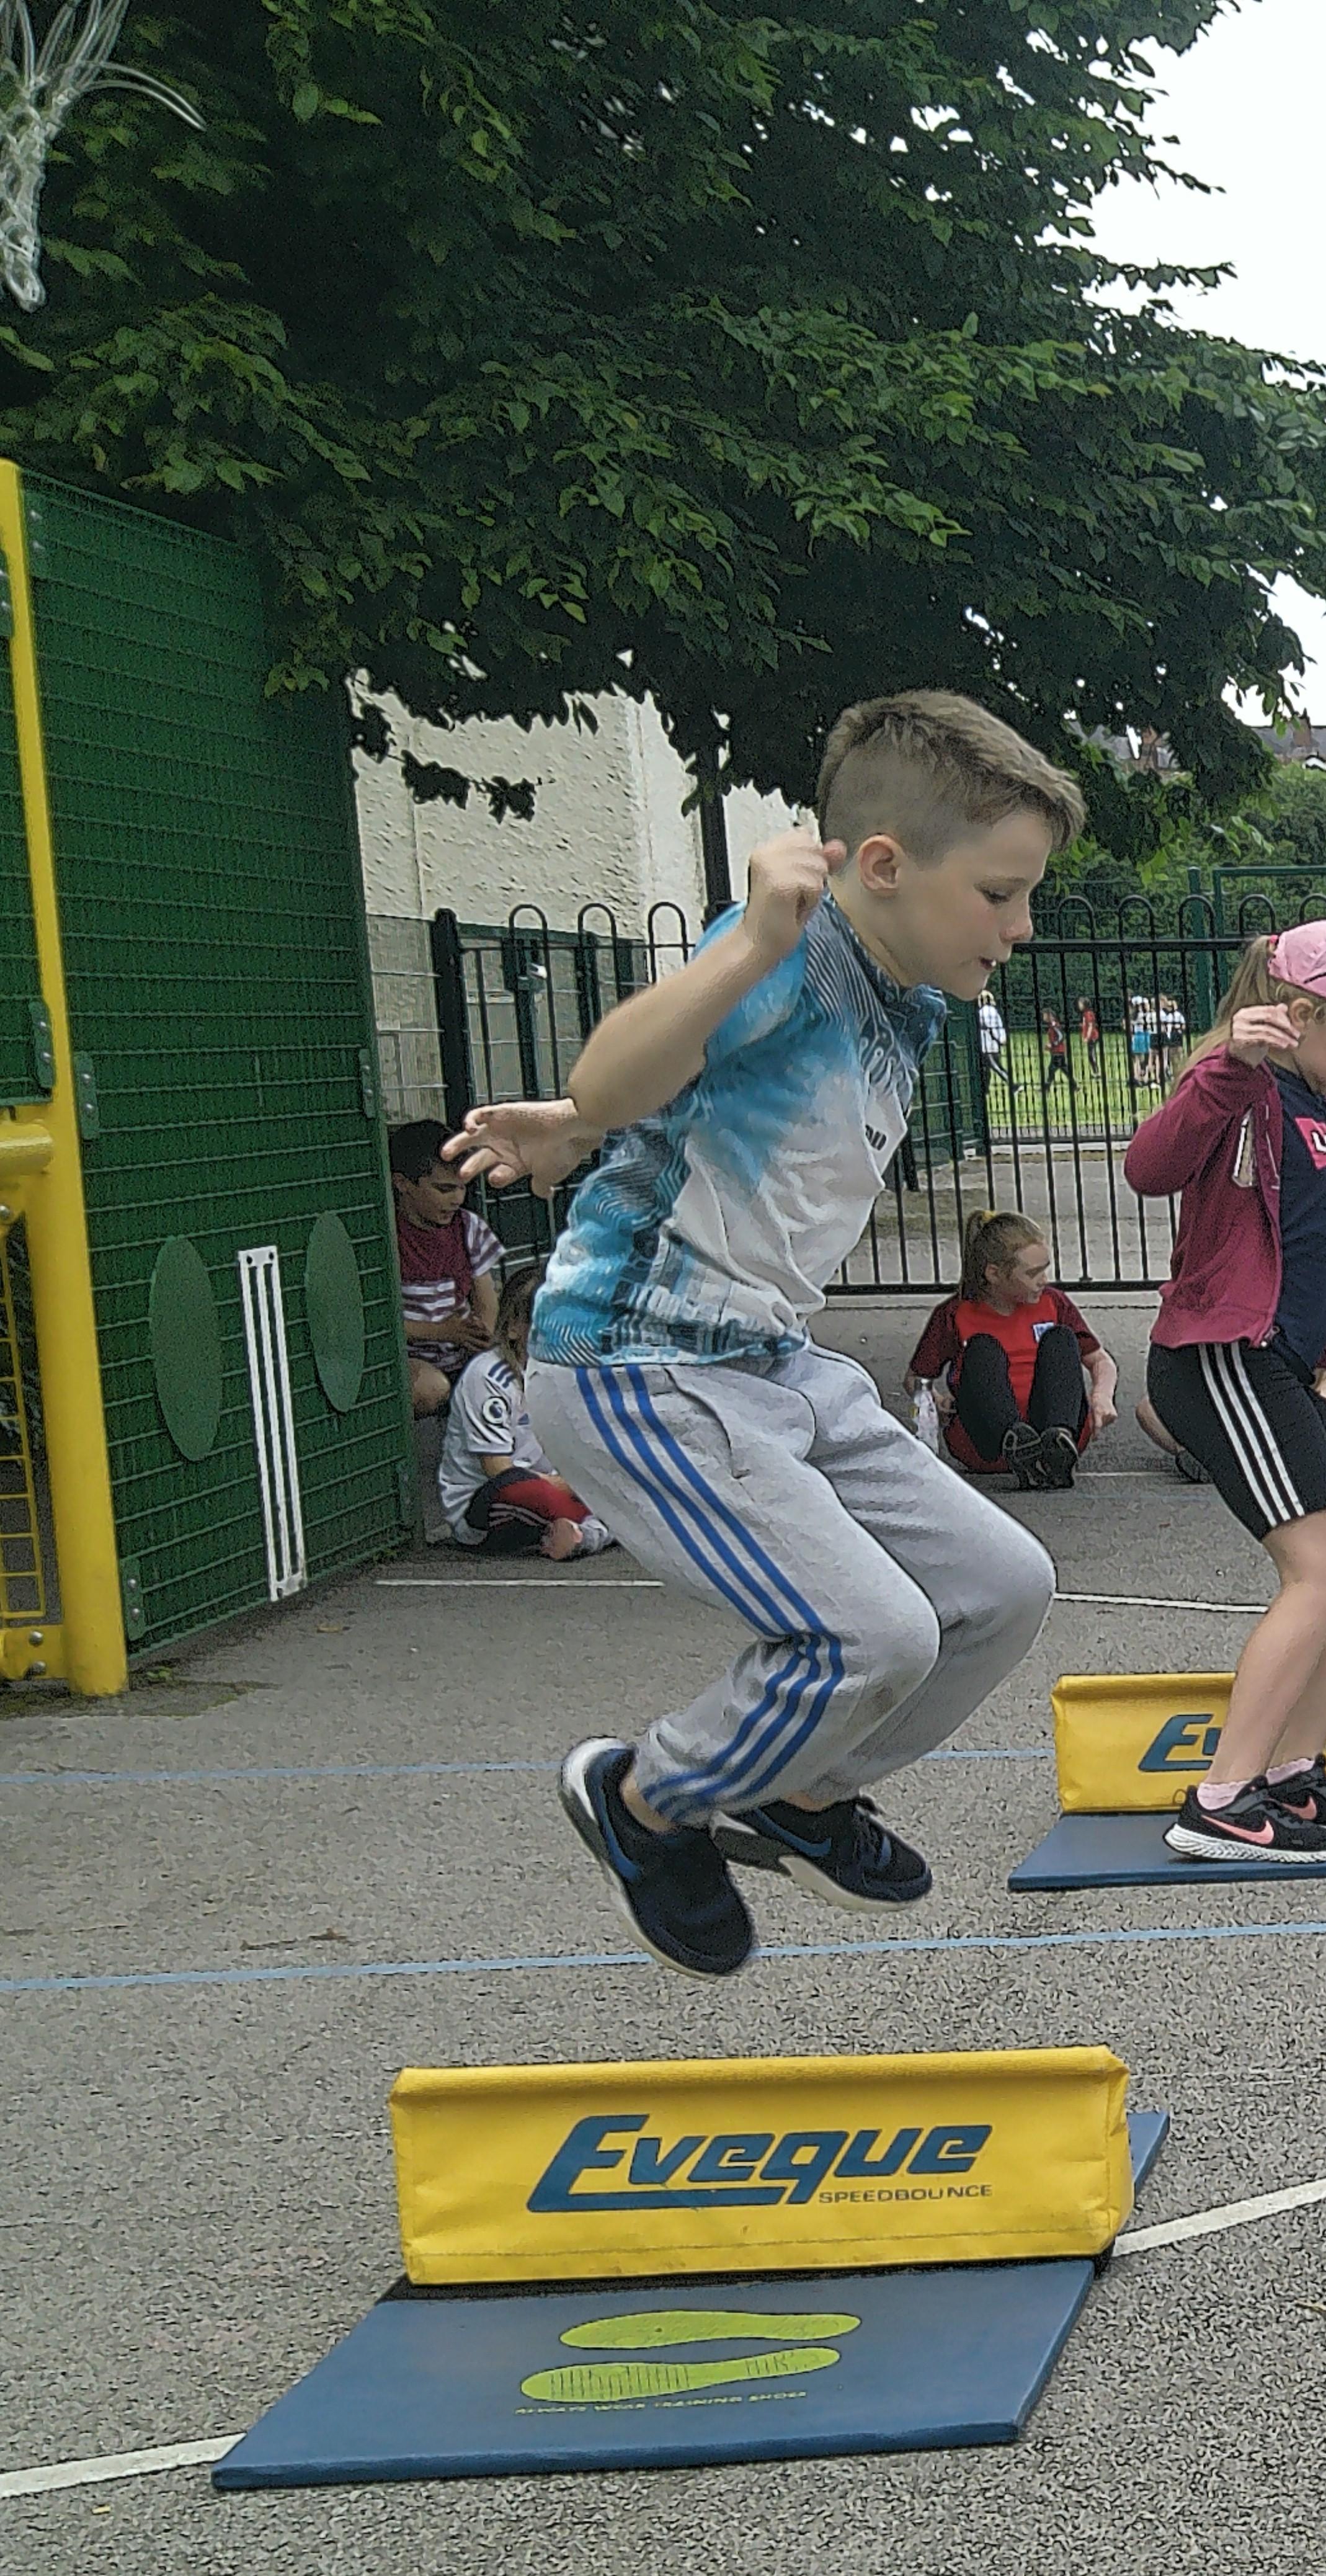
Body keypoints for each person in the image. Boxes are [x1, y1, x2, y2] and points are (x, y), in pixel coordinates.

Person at [448, 692, 1079, 1976]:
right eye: (1000, 894)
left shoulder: (908, 993)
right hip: (640, 1366)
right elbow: (623, 1067)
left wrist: (580, 1134)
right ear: (884, 866)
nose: (1020, 928)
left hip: (771, 1360)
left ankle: (799, 1793)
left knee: (1002, 1585)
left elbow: (680, 1100)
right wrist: (714, 978)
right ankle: (645, 1799)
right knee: (871, 1634)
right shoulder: (783, 951)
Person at [1124, 923, 1326, 1861]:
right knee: (1322, 1567)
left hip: (1278, 1367)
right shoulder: (1241, 1083)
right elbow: (1149, 1169)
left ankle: (1291, 1772)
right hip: (1222, 1356)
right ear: (1301, 1014)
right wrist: (1229, 1066)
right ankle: (1222, 1799)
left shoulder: (1317, 1100)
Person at [906, 1210, 1114, 1487]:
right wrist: (936, 1401)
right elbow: (917, 1378)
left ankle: (1057, 1442)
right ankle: (1016, 1442)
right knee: (982, 1348)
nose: (1044, 1280)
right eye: (1033, 1273)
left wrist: (1102, 1396)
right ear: (994, 1274)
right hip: (988, 1440)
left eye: (1045, 1269)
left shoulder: (1054, 1303)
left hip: (1050, 1421)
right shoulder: (955, 1313)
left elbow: (1100, 1361)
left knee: (1061, 1339)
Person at [434, 1300, 613, 1561]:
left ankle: (585, 1534)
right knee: (526, 1490)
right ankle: (603, 1527)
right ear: (514, 1328)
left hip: (557, 1485)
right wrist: (581, 1486)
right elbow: (498, 1470)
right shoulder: (488, 1375)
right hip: (488, 1505)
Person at [388, 1119, 502, 1420]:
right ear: (403, 1184)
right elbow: (381, 1324)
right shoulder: (387, 1237)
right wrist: (444, 1332)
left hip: (463, 1354)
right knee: (429, 1389)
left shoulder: (469, 1228)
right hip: (411, 1362)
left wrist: (482, 1339)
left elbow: (487, 1303)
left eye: (462, 1188)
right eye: (444, 1189)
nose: (457, 1199)